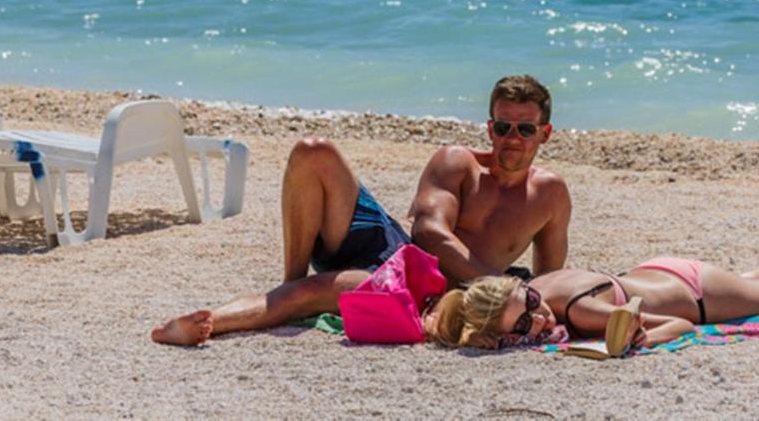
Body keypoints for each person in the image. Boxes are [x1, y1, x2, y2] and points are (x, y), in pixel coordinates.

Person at [152, 75, 572, 346]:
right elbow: (428, 233)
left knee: (314, 293)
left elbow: (551, 279)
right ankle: (288, 284)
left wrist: (531, 306)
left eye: (525, 129)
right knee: (313, 151)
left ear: (545, 134)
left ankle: (208, 322)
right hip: (398, 247)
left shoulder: (550, 194)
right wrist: (497, 282)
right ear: (490, 128)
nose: (511, 138)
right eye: (502, 127)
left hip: (425, 292)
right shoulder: (458, 162)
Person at [424, 259, 759, 350]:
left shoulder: (583, 314)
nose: (540, 315)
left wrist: (636, 340)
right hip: (661, 272)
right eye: (528, 318)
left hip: (700, 296)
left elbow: (680, 325)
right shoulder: (547, 284)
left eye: (533, 301)